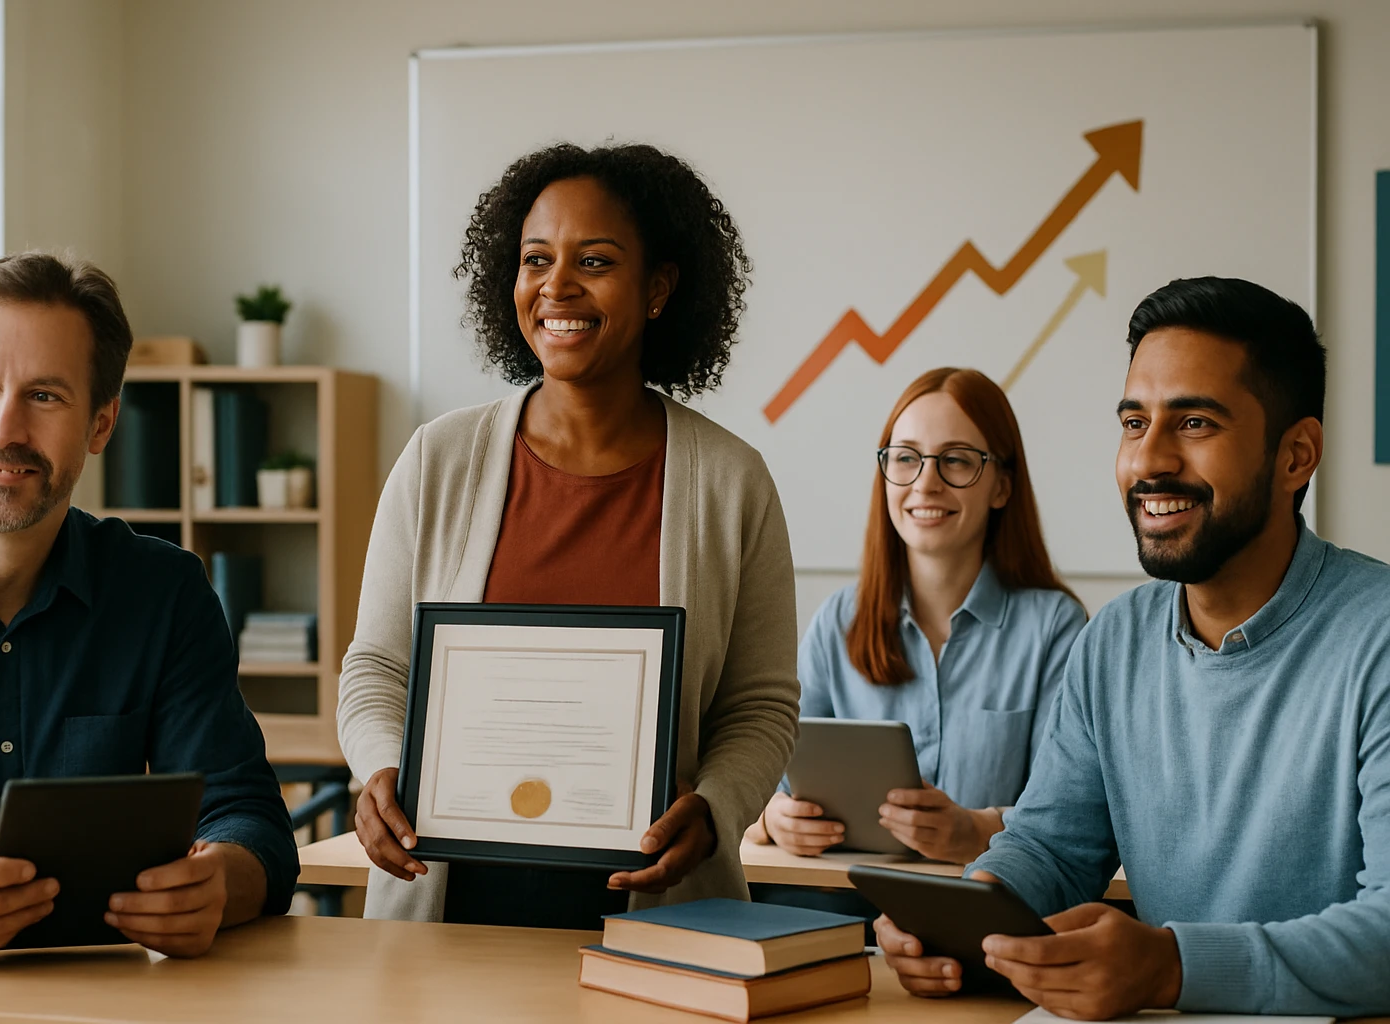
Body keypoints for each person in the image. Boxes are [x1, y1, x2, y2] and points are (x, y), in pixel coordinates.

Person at [879, 277, 1390, 1018]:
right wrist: (971, 919)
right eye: (1132, 422)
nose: (1147, 460)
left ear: (1296, 456)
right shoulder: (1113, 640)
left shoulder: (1376, 635)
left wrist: (1172, 968)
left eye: (1194, 424)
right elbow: (1053, 847)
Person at [338, 142, 799, 929]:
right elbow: (377, 666)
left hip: (661, 927)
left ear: (658, 287)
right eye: (535, 259)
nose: (557, 286)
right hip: (450, 918)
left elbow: (758, 705)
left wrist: (717, 806)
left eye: (594, 260)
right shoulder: (436, 461)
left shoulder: (732, 481)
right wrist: (381, 765)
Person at [0, 253, 299, 971]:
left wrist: (220, 882)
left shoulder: (165, 593)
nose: (4, 428)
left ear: (101, 423)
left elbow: (249, 819)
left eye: (45, 396)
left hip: (102, 1008)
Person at [748, 368, 1084, 867]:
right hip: (837, 908)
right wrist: (774, 817)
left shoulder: (1056, 628)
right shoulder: (836, 622)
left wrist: (978, 830)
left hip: (986, 914)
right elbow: (763, 781)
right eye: (905, 458)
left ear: (1001, 487)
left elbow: (1070, 815)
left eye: (956, 460)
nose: (926, 483)